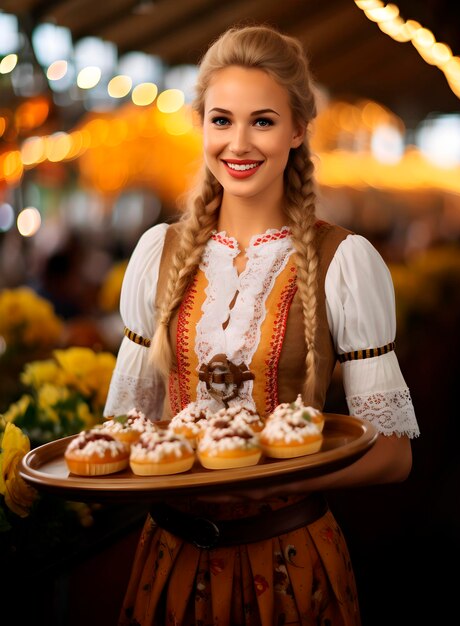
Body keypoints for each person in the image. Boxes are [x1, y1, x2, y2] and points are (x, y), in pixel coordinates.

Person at [104, 24, 420, 626]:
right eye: (221, 120)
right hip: (169, 560)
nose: (239, 142)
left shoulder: (343, 261)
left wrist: (265, 477)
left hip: (288, 563)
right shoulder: (158, 254)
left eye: (263, 121)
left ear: (298, 130)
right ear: (201, 126)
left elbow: (394, 455)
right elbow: (125, 425)